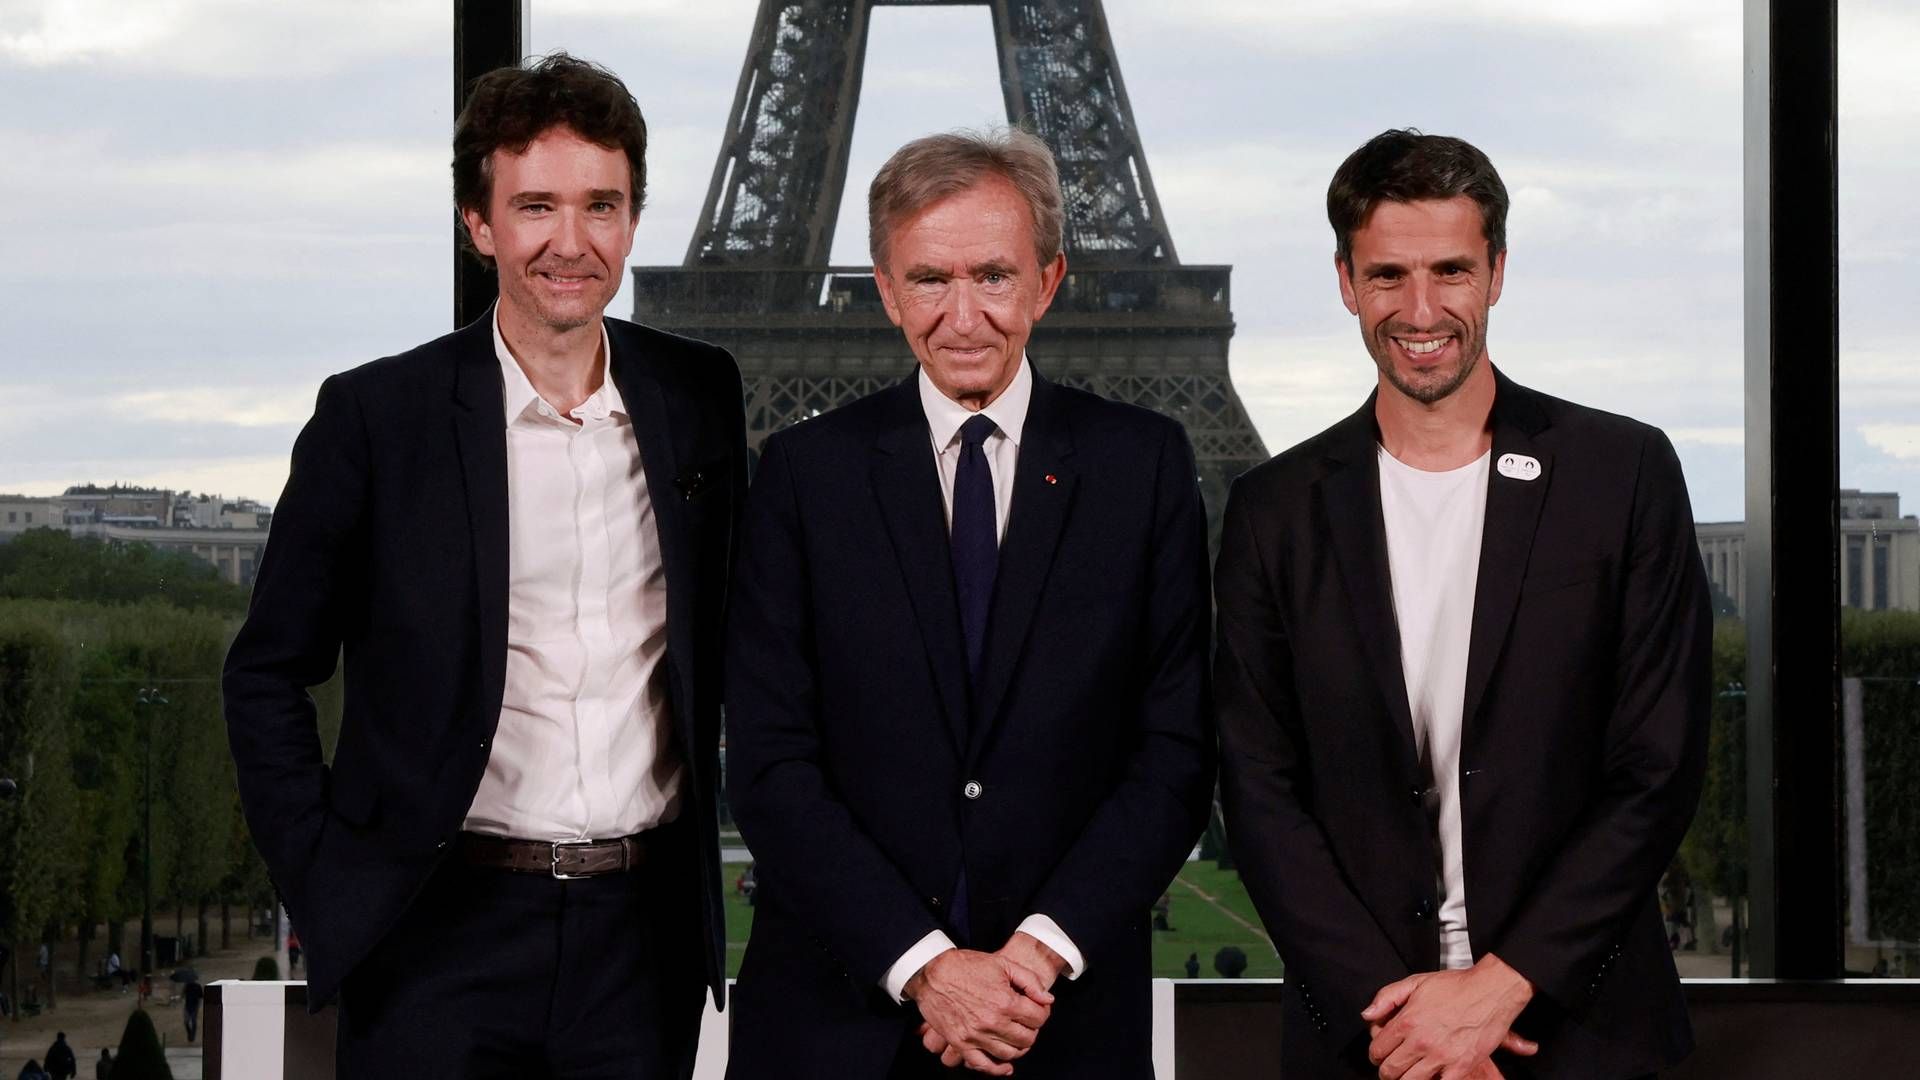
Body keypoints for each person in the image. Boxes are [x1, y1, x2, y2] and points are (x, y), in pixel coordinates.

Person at [223, 52, 745, 1078]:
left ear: (634, 220)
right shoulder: (378, 420)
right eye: (536, 206)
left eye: (602, 206)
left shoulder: (699, 397)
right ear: (479, 225)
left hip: (640, 943)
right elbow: (267, 670)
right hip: (436, 935)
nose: (571, 241)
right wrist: (329, 878)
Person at [1214, 129, 1710, 1079]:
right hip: (1370, 1040)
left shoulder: (1622, 474)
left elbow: (1658, 765)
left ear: (1497, 273)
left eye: (1451, 270)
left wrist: (1500, 988)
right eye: (1389, 274)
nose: (1422, 307)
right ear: (1347, 282)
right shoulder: (1273, 511)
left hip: (1579, 1030)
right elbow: (1260, 791)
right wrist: (1407, 1030)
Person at [724, 128, 1214, 1079]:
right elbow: (774, 766)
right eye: (930, 279)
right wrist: (928, 968)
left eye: (993, 275)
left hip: (1059, 1022)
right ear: (887, 290)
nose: (963, 314)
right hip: (840, 1024)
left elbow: (1174, 755)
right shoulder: (803, 476)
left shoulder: (1142, 466)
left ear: (1048, 280)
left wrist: (1033, 956)